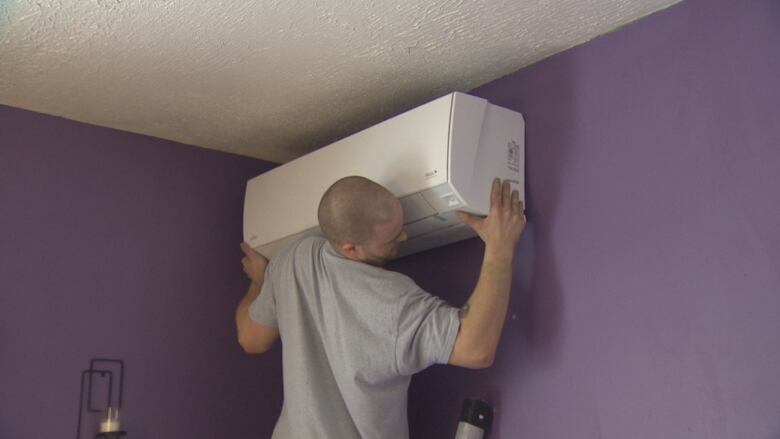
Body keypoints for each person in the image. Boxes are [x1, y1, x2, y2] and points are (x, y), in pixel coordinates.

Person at [235, 176, 526, 439]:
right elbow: (475, 349)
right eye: (391, 237)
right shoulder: (393, 301)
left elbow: (250, 338)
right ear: (351, 248)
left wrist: (261, 280)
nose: (404, 237)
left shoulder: (291, 261)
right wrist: (499, 249)